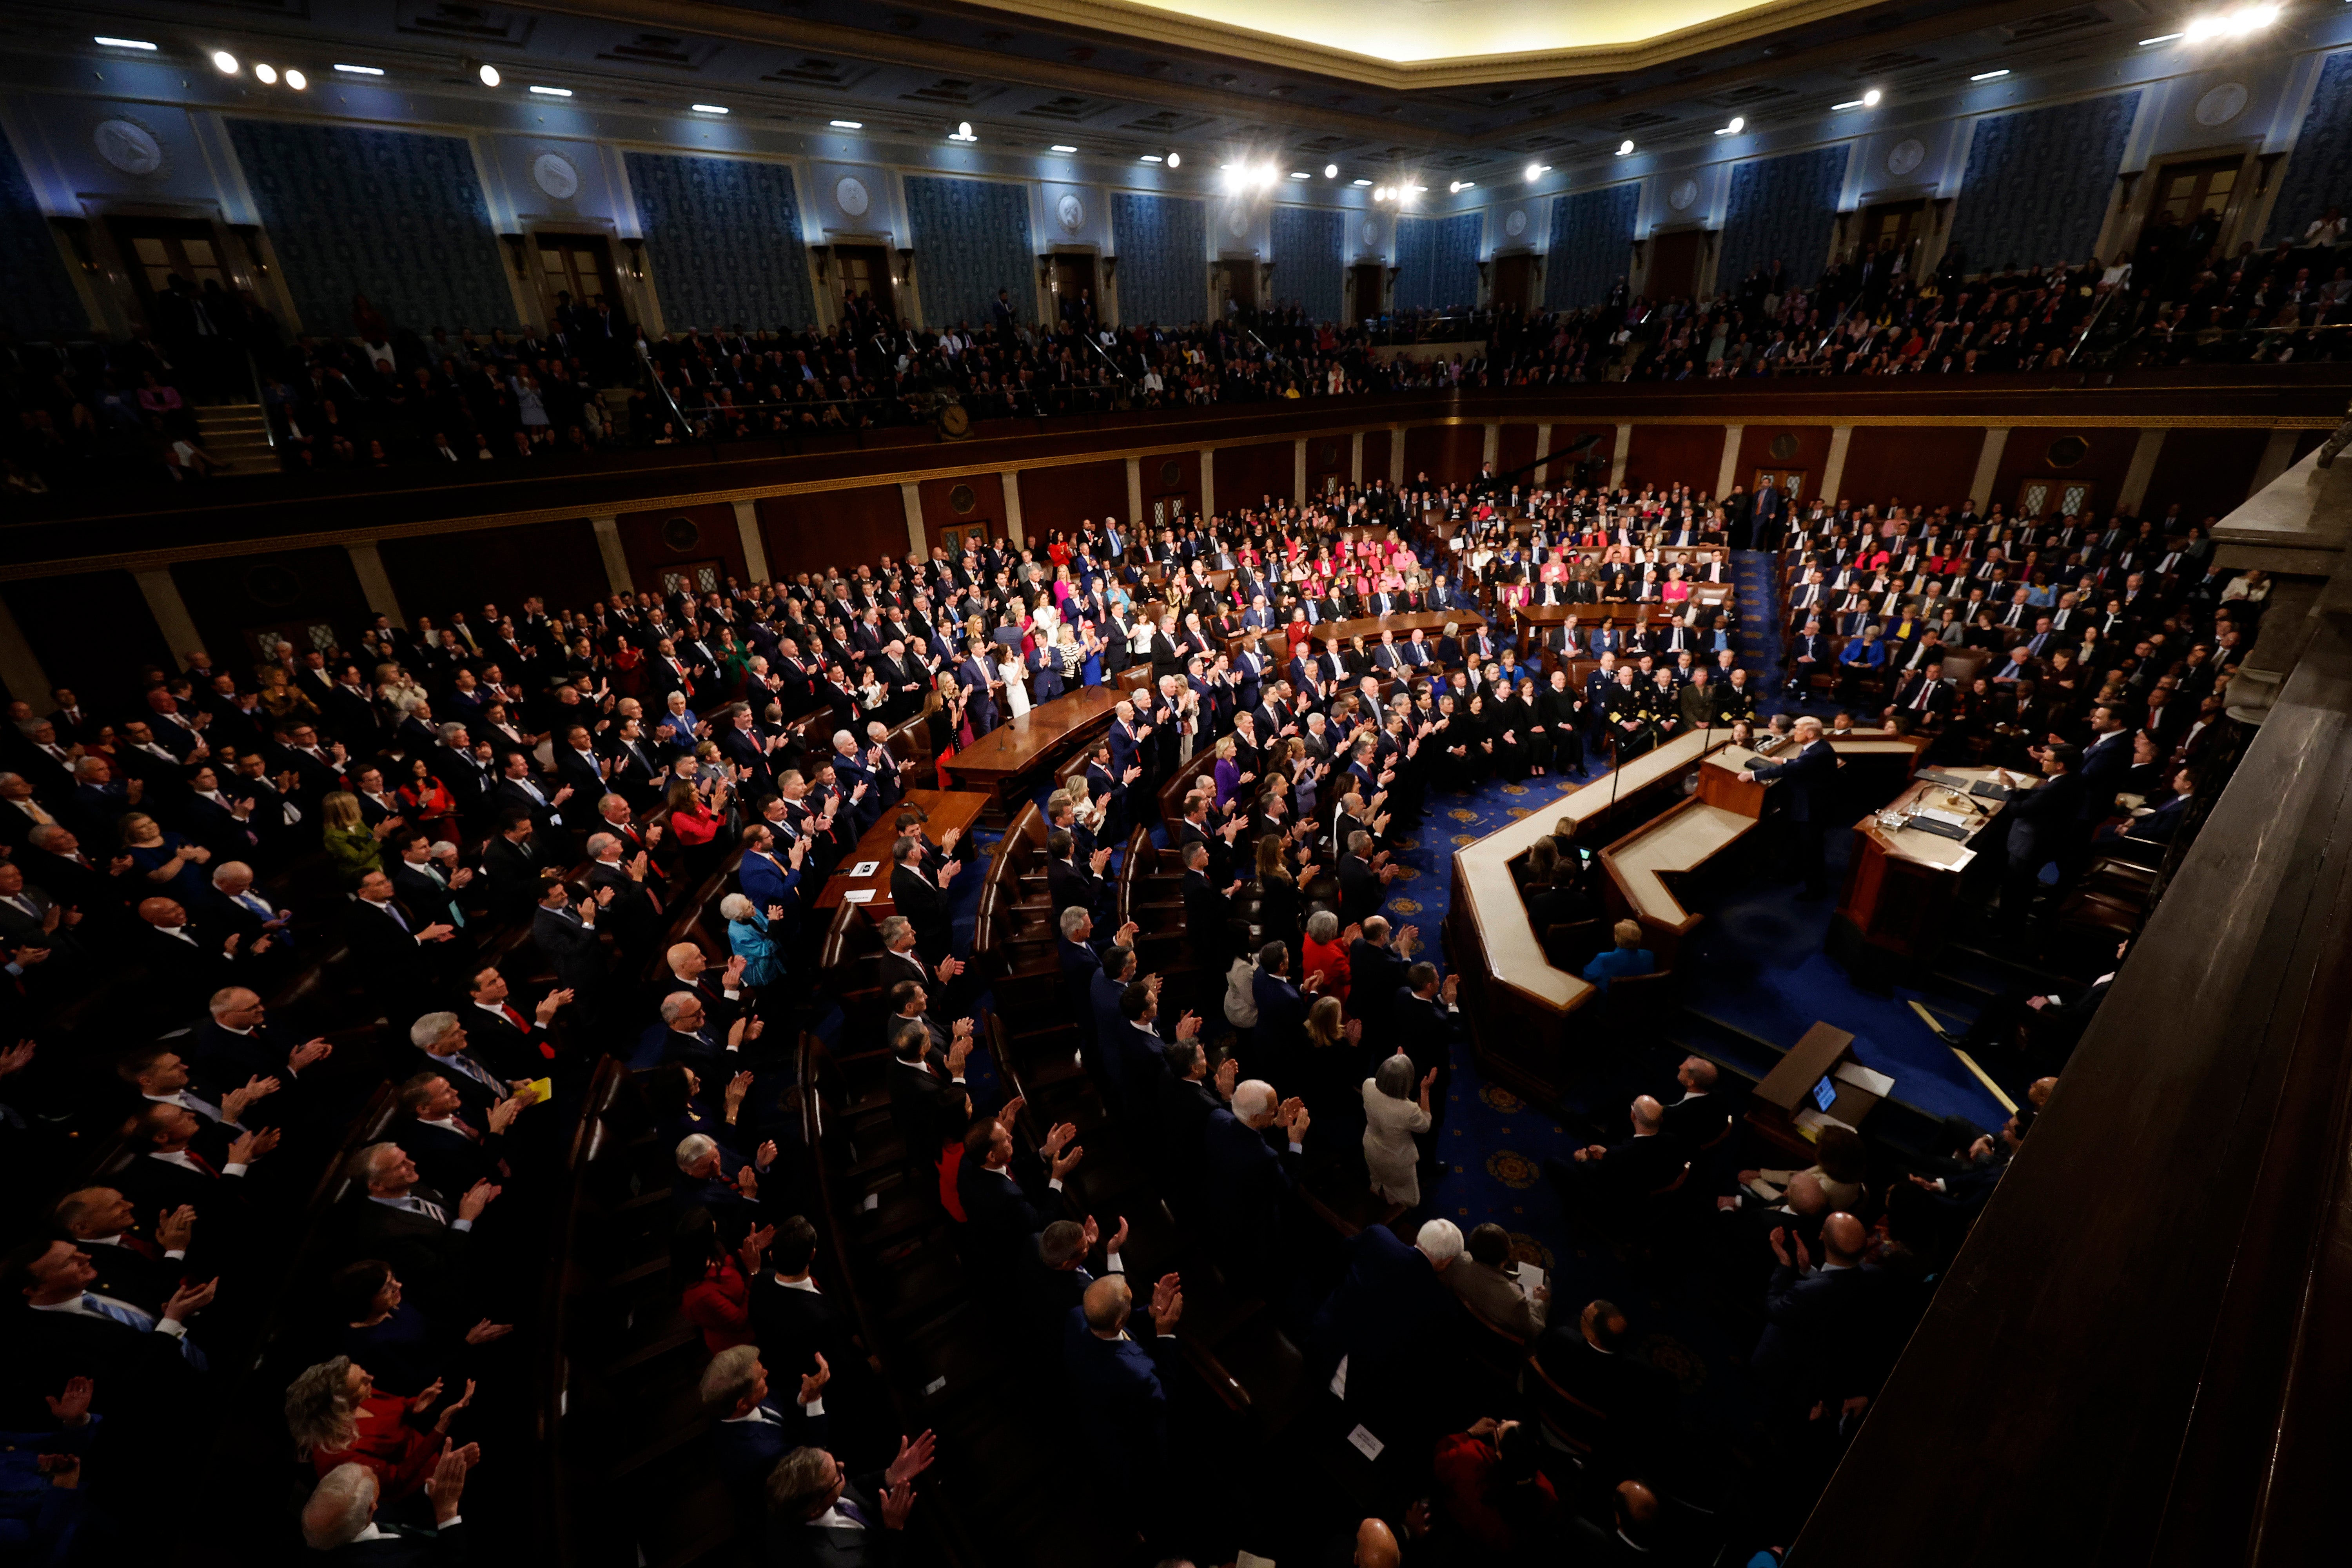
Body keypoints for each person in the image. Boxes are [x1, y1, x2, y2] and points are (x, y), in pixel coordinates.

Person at [1742, 714, 1839, 895]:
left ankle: (1815, 890)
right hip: (1805, 806)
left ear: (1810, 733)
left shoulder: (1818, 752)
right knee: (1798, 845)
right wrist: (1786, 760)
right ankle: (1792, 875)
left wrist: (1753, 776)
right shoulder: (1817, 746)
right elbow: (1802, 765)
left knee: (1811, 850)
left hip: (1812, 811)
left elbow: (1795, 769)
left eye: (1799, 729)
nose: (1795, 732)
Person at [1360, 1049, 1435, 1207]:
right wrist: (1425, 1090)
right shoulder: (1409, 1110)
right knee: (1404, 1194)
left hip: (1371, 1147)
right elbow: (1425, 1125)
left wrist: (1395, 1064)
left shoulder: (1368, 1085)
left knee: (1377, 1177)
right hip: (1397, 1160)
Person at [1581, 919, 1655, 993]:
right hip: (1640, 1000)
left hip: (1606, 1002)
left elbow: (1586, 977)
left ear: (1617, 938)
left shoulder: (1604, 959)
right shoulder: (1649, 955)